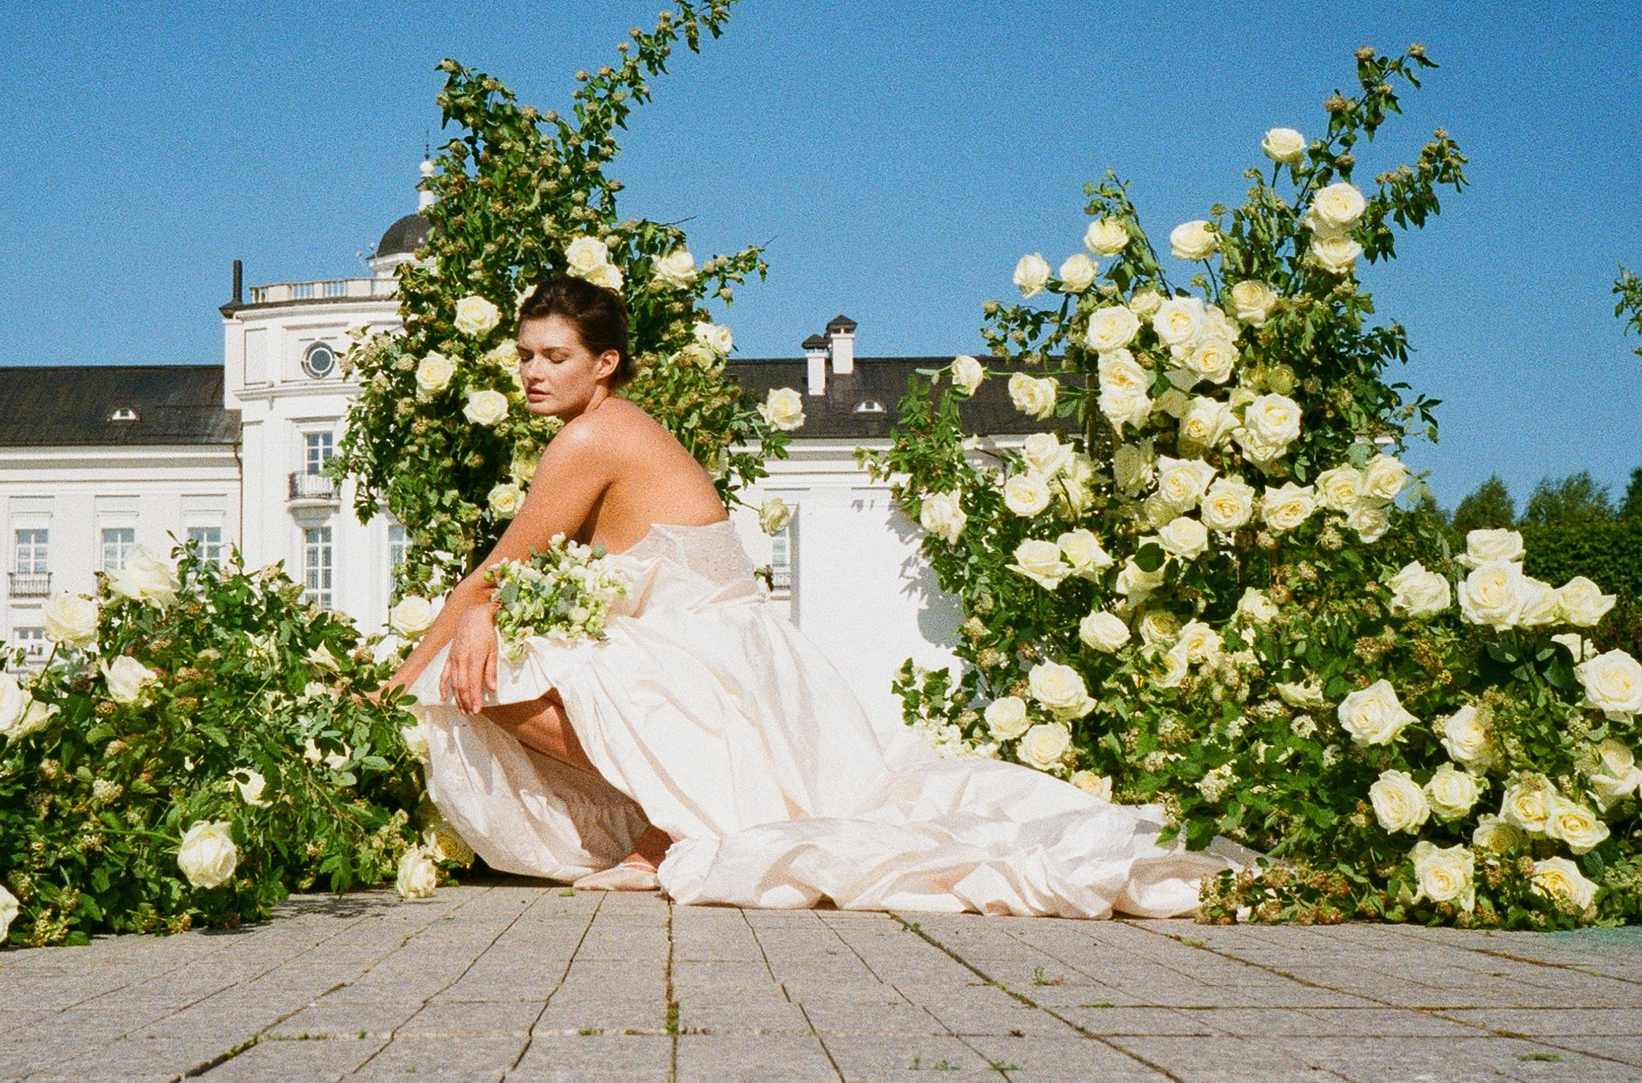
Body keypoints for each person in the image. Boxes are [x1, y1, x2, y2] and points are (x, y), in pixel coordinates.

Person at [388, 276, 1234, 916]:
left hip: (707, 658)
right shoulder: (623, 423)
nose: (533, 371)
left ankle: (677, 823)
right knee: (495, 656)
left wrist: (394, 683)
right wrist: (485, 612)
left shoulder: (592, 436)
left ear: (604, 363)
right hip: (734, 659)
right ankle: (666, 822)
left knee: (474, 676)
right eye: (525, 355)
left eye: (554, 356)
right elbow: (520, 576)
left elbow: (494, 569)